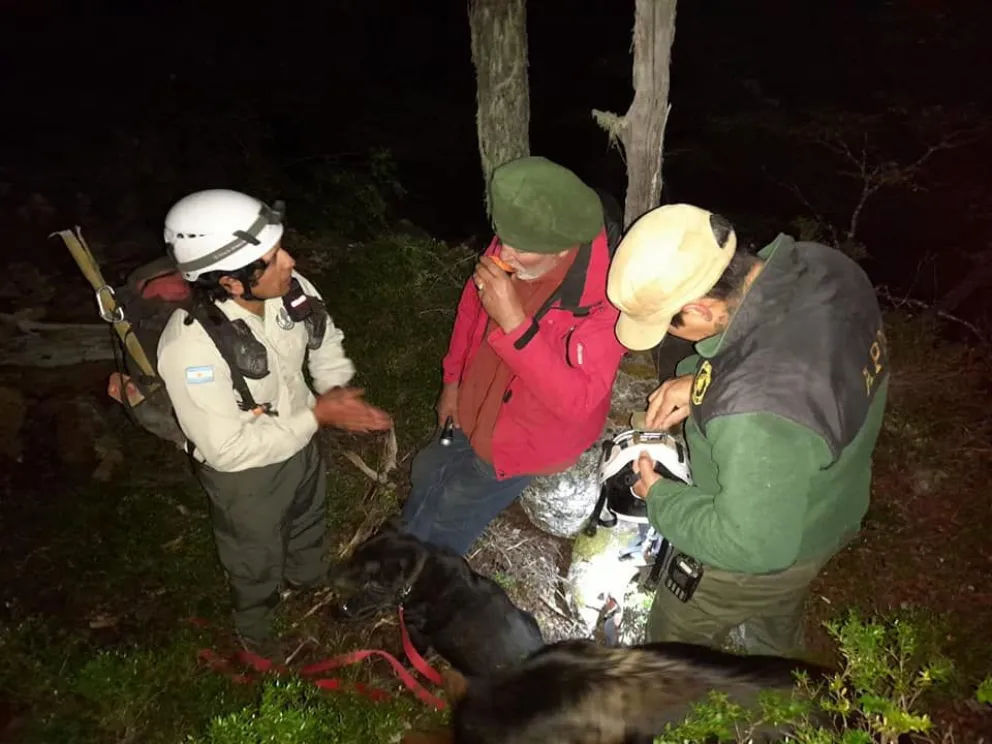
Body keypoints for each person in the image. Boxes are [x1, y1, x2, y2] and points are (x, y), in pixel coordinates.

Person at [606, 203, 889, 657]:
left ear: (701, 306)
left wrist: (659, 496)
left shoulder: (756, 408)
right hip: (827, 508)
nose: (668, 336)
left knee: (673, 649)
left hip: (761, 551)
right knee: (776, 630)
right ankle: (784, 701)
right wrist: (701, 377)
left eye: (670, 323)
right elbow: (794, 357)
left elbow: (754, 548)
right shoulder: (824, 267)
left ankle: (677, 720)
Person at [156, 188, 392, 654]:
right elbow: (227, 451)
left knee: (308, 515)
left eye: (281, 248)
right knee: (253, 553)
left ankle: (309, 578)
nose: (290, 261)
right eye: (272, 257)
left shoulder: (292, 289)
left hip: (303, 443)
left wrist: (334, 390)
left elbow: (325, 339)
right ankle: (257, 631)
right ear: (230, 282)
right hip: (247, 477)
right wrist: (317, 417)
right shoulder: (190, 348)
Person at [399, 156, 628, 556]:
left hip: (524, 440)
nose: (503, 253)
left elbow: (577, 403)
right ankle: (399, 552)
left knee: (454, 510)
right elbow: (471, 309)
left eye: (521, 248)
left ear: (563, 249)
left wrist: (516, 325)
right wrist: (451, 383)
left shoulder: (605, 302)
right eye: (501, 238)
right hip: (473, 401)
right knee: (428, 472)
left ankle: (425, 584)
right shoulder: (521, 240)